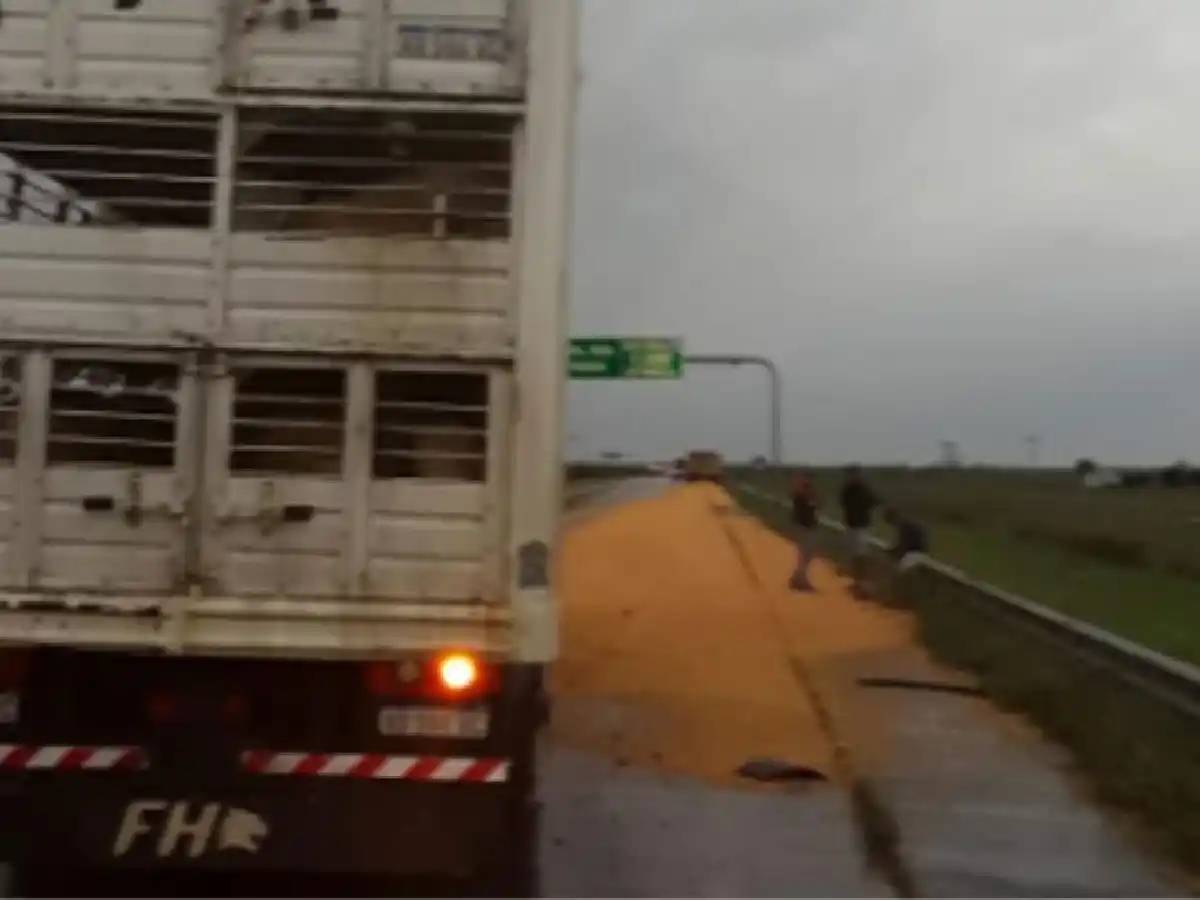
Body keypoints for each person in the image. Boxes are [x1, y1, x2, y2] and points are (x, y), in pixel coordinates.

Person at [838, 465, 878, 597]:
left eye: (851, 474)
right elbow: (842, 504)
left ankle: (864, 584)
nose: (848, 477)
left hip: (861, 526)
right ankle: (857, 582)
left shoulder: (863, 490)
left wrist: (862, 510)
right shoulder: (847, 490)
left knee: (861, 555)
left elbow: (874, 502)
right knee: (854, 556)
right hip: (850, 525)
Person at [788, 472, 820, 591]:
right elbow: (817, 503)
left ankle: (798, 578)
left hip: (806, 527)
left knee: (805, 555)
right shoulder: (802, 496)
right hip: (805, 527)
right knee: (805, 555)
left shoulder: (801, 495)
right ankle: (801, 580)